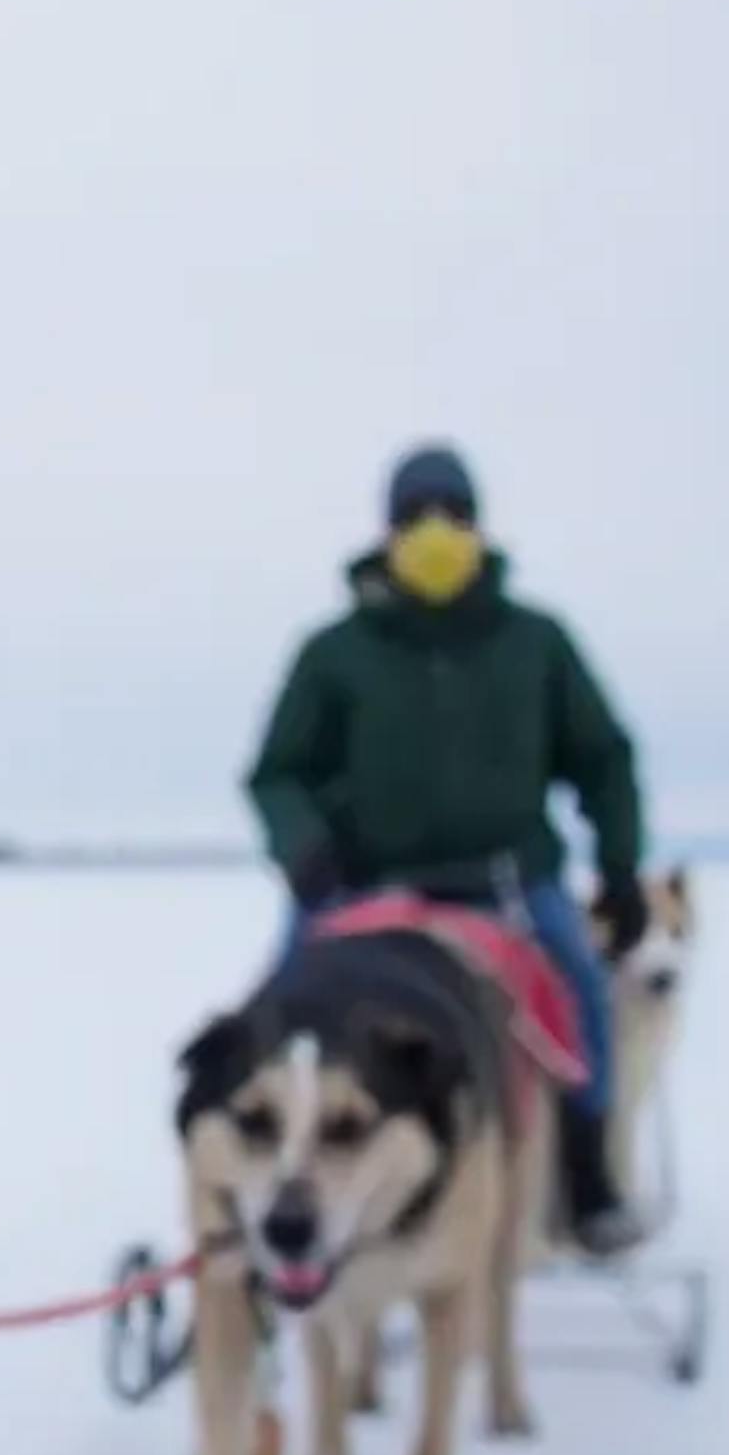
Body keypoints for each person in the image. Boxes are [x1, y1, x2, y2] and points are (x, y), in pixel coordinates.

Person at [245, 442, 653, 1255]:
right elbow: (277, 773)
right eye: (415, 517)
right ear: (387, 533)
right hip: (363, 888)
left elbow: (604, 757)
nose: (435, 532)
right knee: (275, 1007)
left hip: (508, 883)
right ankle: (257, 1192)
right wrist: (306, 851)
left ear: (478, 527)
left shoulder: (536, 643)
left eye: (453, 516)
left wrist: (619, 864)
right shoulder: (336, 653)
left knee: (576, 989)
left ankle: (588, 1175)